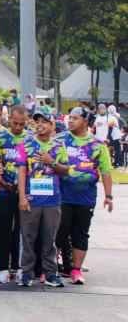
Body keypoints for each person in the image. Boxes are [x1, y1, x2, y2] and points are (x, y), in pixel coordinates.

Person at [55, 106, 114, 284]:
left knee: (81, 233)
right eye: (70, 117)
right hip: (62, 196)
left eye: (75, 118)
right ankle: (51, 268)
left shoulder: (98, 145)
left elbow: (106, 171)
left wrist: (109, 196)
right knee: (60, 231)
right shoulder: (60, 140)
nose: (70, 121)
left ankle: (76, 270)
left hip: (85, 198)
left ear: (85, 121)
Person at [17, 110, 70, 287]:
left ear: (52, 125)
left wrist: (51, 161)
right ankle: (26, 273)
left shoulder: (58, 145)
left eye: (44, 121)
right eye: (37, 121)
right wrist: (22, 197)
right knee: (28, 238)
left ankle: (50, 274)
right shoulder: (26, 144)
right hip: (31, 199)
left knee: (49, 239)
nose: (40, 125)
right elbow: (22, 171)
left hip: (52, 201)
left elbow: (66, 170)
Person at [0, 104, 30, 283]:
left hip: (24, 192)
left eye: (22, 124)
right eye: (15, 123)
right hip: (3, 191)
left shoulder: (30, 139)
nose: (18, 127)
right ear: (9, 119)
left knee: (22, 232)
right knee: (2, 230)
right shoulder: (0, 138)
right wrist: (2, 181)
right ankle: (2, 268)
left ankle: (20, 267)